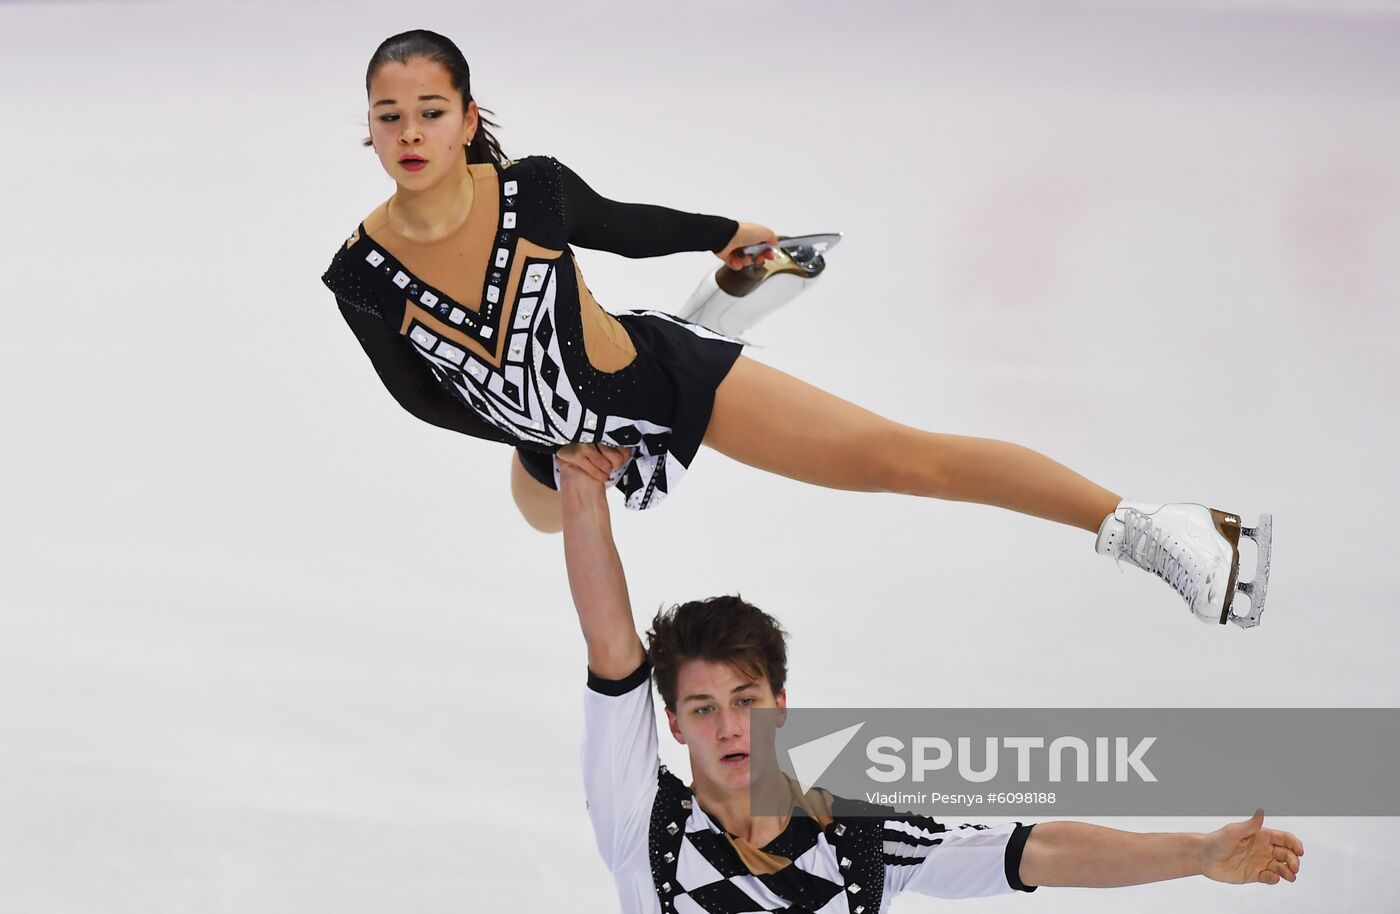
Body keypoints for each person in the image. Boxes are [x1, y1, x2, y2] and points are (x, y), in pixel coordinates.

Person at [321, 29, 1270, 627]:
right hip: (550, 435)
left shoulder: (531, 191)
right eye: (389, 116)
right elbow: (419, 398)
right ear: (369, 126)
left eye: (431, 112)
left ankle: (1158, 529)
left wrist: (729, 232)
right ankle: (644, 360)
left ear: (466, 118)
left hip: (656, 383)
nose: (410, 133)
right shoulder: (360, 273)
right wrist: (552, 440)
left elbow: (627, 226)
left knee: (900, 459)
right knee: (537, 515)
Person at [558, 459, 1302, 912]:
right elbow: (613, 651)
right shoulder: (642, 823)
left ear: (781, 707)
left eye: (745, 702)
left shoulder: (857, 837)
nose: (727, 728)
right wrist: (579, 479)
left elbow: (1030, 851)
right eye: (703, 708)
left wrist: (1195, 854)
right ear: (672, 722)